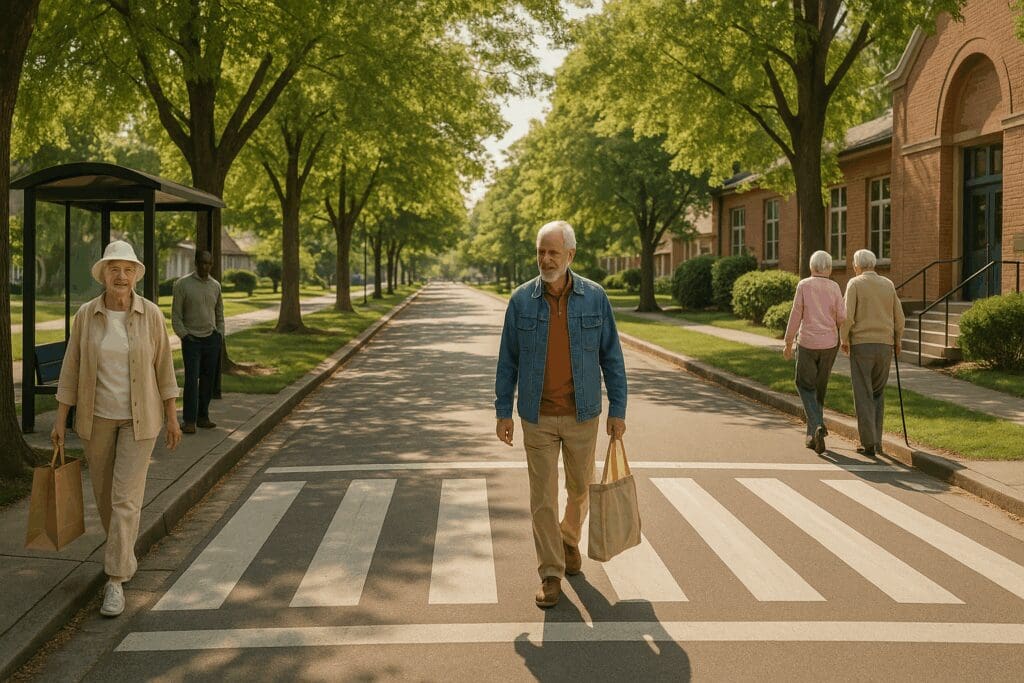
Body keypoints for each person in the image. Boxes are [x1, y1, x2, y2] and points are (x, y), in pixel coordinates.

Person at [494, 220, 627, 609]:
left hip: (582, 414)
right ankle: (550, 572)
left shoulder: (595, 297)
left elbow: (612, 358)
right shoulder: (520, 300)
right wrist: (504, 412)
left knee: (580, 488)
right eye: (541, 252)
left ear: (570, 255)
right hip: (537, 416)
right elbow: (507, 362)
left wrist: (618, 409)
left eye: (553, 252)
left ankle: (569, 536)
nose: (546, 259)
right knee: (542, 498)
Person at [52, 240, 181, 617]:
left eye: (127, 269)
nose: (120, 276)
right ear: (103, 275)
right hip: (96, 420)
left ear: (136, 275)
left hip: (141, 422)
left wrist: (172, 416)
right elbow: (71, 368)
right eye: (114, 269)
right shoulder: (86, 316)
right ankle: (124, 554)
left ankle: (115, 580)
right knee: (107, 499)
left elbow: (164, 369)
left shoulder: (151, 315)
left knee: (125, 498)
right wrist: (60, 419)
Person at [840, 249, 905, 458]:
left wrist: (844, 338)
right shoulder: (888, 284)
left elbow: (847, 315)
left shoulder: (855, 283)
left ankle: (868, 443)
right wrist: (897, 340)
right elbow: (899, 316)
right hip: (884, 345)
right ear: (874, 264)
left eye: (853, 264)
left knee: (863, 394)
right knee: (878, 393)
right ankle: (877, 441)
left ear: (857, 266)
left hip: (862, 345)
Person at [783, 250, 846, 454]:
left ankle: (817, 425)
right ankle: (812, 436)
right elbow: (841, 317)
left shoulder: (804, 285)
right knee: (819, 389)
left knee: (803, 384)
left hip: (808, 342)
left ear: (811, 267)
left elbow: (796, 313)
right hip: (829, 344)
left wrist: (788, 342)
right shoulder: (835, 286)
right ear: (829, 268)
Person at [171, 250, 225, 433]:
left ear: (212, 265)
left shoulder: (215, 286)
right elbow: (176, 316)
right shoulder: (182, 285)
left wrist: (220, 335)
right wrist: (185, 336)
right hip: (191, 340)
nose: (205, 267)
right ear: (196, 263)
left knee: (208, 381)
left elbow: (219, 313)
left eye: (209, 263)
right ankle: (189, 421)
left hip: (211, 339)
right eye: (202, 263)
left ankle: (203, 417)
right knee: (191, 380)